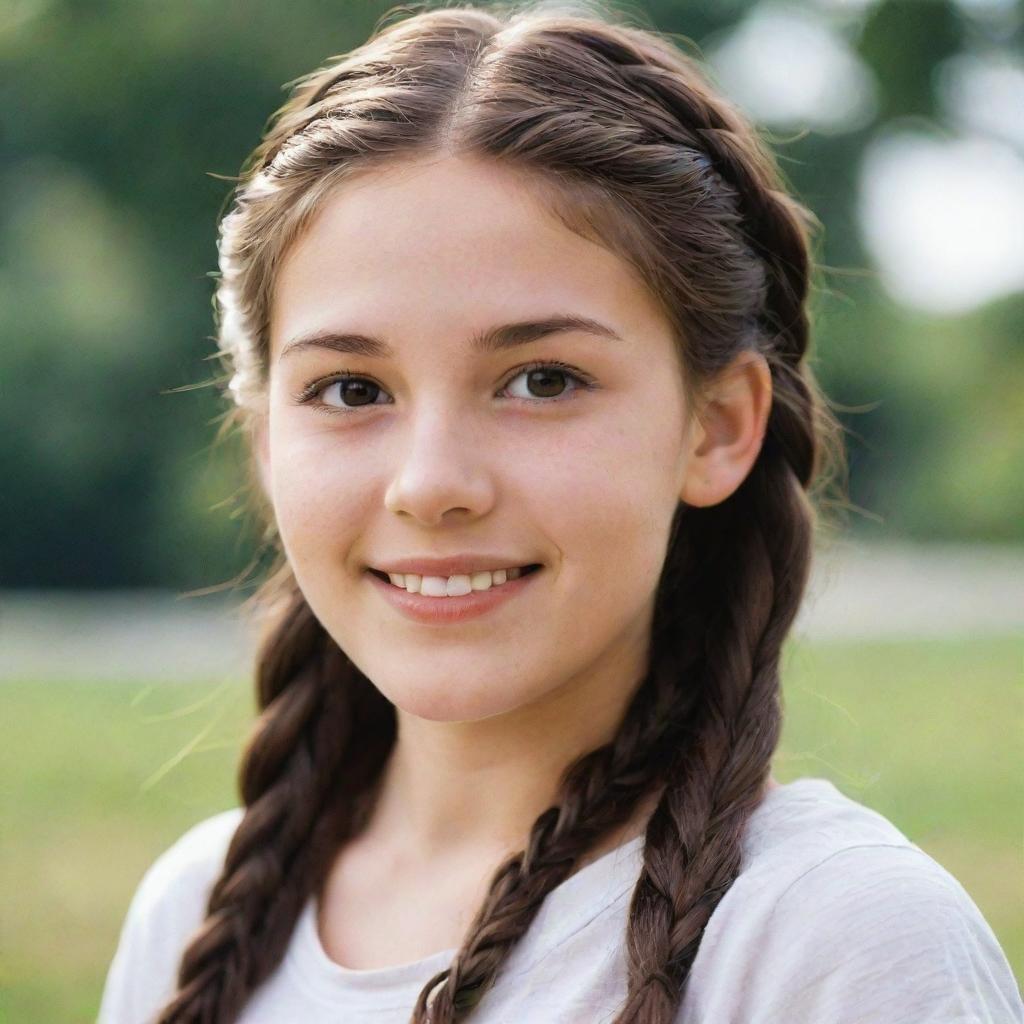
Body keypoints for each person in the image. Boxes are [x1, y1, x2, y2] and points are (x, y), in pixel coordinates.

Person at [97, 2, 1024, 1022]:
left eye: (541, 379)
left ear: (716, 426)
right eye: (353, 389)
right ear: (269, 441)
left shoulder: (835, 944)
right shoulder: (194, 920)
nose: (431, 483)